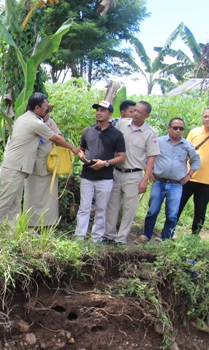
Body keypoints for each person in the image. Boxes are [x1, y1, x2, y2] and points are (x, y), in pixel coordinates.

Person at [0, 92, 78, 227]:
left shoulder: (23, 118)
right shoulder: (35, 123)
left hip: (17, 167)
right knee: (4, 201)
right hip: (14, 167)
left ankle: (15, 234)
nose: (47, 109)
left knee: (15, 204)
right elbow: (56, 138)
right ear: (37, 108)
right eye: (45, 107)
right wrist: (74, 149)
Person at [103, 101, 159, 244]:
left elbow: (151, 157)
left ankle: (121, 239)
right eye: (134, 110)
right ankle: (109, 235)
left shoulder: (150, 133)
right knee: (112, 205)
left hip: (133, 175)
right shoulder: (122, 124)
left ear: (147, 115)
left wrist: (145, 179)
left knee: (129, 209)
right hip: (116, 171)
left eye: (140, 112)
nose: (135, 114)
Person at [138, 118, 200, 243]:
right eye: (175, 128)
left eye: (181, 128)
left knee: (172, 213)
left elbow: (196, 160)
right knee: (152, 211)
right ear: (169, 128)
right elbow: (147, 157)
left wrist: (189, 175)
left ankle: (166, 237)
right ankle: (146, 235)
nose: (178, 131)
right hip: (158, 182)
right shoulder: (158, 141)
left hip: (176, 184)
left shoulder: (187, 145)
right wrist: (148, 173)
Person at [74, 100, 126, 242]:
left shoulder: (116, 134)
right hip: (87, 175)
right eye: (97, 110)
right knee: (84, 207)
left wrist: (106, 163)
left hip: (105, 177)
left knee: (101, 209)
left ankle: (96, 238)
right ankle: (79, 236)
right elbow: (81, 149)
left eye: (102, 110)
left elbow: (122, 157)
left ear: (110, 114)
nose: (99, 112)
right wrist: (82, 156)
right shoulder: (88, 131)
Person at [22, 104, 77, 227]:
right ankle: (31, 225)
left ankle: (49, 224)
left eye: (49, 113)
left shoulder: (51, 122)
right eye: (46, 113)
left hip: (50, 165)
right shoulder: (32, 122)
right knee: (32, 196)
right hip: (33, 166)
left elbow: (60, 139)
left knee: (50, 197)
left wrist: (53, 132)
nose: (48, 115)